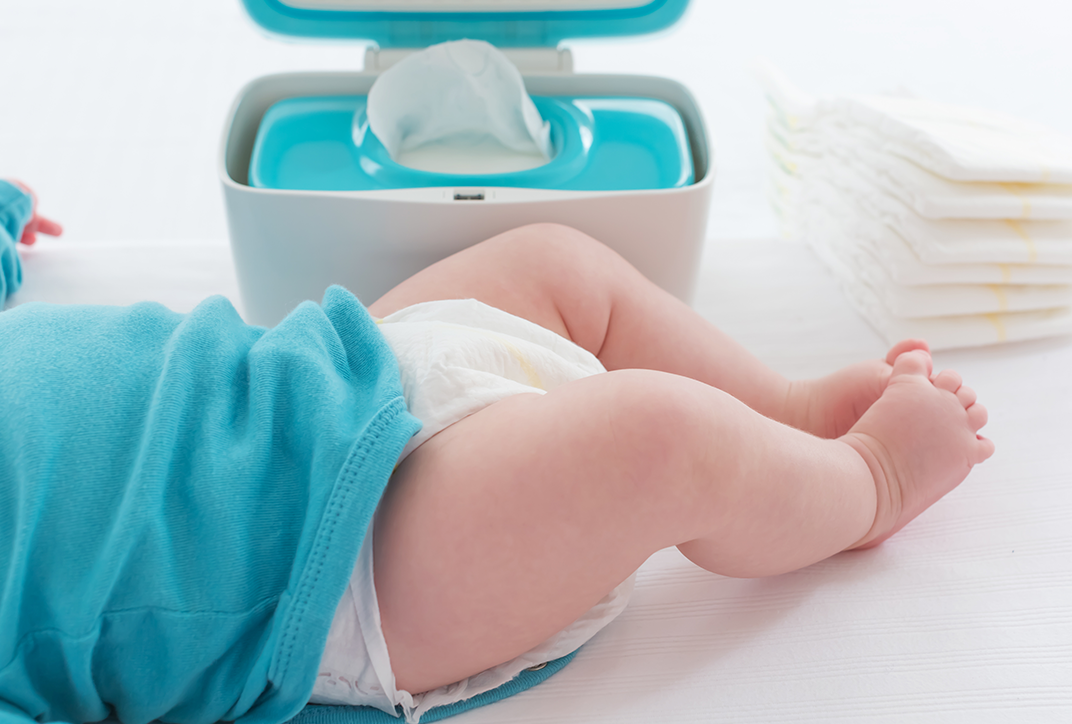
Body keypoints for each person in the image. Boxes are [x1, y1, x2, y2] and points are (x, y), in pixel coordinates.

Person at [0, 182, 991, 724]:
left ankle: (785, 406)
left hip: (332, 377)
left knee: (557, 266)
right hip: (341, 581)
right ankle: (866, 482)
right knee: (653, 441)